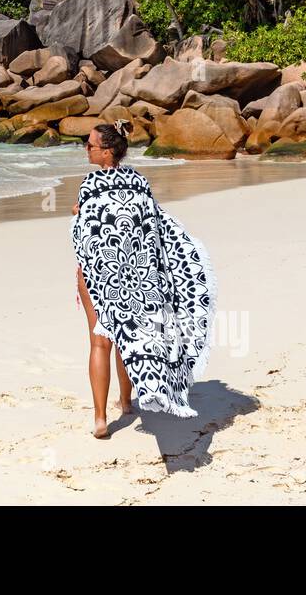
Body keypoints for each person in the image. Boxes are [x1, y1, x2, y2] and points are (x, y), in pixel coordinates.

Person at [71, 121, 216, 438]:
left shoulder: (90, 185)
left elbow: (87, 226)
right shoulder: (139, 182)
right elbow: (151, 226)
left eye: (90, 145)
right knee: (128, 337)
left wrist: (78, 211)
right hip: (137, 274)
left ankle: (99, 419)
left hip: (98, 273)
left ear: (107, 150)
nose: (86, 148)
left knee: (100, 341)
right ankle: (125, 402)